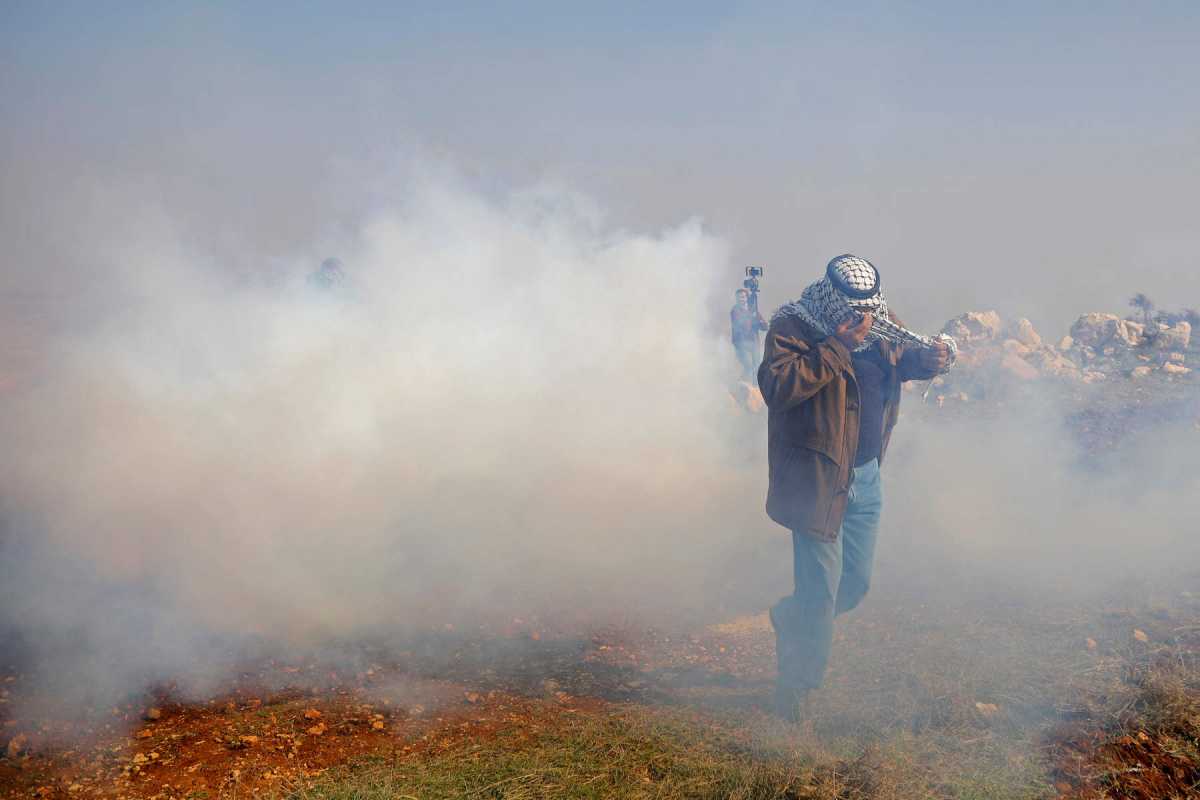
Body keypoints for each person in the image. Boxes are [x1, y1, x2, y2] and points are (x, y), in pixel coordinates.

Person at [757, 254, 953, 721]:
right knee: (822, 594)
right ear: (831, 297)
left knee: (855, 585)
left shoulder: (879, 325)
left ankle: (791, 617)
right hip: (818, 479)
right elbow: (778, 387)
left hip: (866, 476)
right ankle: (796, 691)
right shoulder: (795, 326)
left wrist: (931, 359)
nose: (864, 320)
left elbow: (901, 360)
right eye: (854, 310)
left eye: (869, 309)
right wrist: (836, 347)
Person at [731, 288, 768, 379]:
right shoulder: (735, 311)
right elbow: (740, 325)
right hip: (741, 344)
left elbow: (764, 326)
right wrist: (753, 319)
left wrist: (761, 323)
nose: (741, 299)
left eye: (743, 297)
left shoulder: (753, 310)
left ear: (747, 298)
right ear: (736, 299)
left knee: (757, 367)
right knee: (748, 366)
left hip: (754, 342)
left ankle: (756, 387)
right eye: (739, 297)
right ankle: (742, 385)